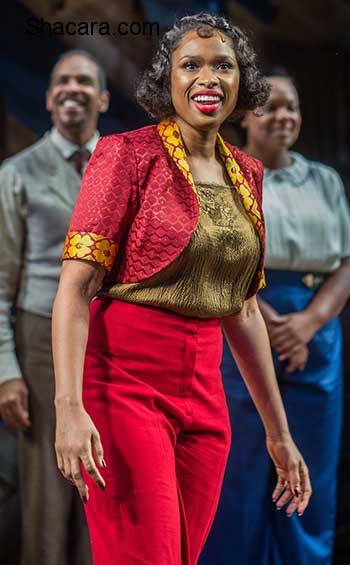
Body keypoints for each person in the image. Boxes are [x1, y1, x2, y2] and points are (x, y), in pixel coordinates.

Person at [52, 16, 312, 565]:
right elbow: (75, 290)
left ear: (243, 82)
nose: (207, 77)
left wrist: (278, 434)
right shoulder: (126, 155)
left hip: (205, 394)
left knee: (183, 556)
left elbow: (242, 308)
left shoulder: (247, 173)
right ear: (166, 80)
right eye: (189, 65)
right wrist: (70, 407)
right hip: (123, 382)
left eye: (223, 65)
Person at [201, 69, 350, 565]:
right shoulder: (221, 174)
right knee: (240, 464)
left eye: (293, 108)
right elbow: (214, 258)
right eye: (272, 107)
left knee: (313, 463)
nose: (285, 117)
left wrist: (306, 325)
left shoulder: (324, 181)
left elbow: (346, 262)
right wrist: (267, 325)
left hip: (316, 330)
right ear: (244, 116)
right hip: (241, 324)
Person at [0, 49, 110, 565]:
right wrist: (6, 372)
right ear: (47, 98)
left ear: (103, 98)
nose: (73, 88)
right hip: (39, 336)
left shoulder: (120, 168)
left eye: (85, 81)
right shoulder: (16, 173)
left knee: (104, 477)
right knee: (47, 483)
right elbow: (1, 280)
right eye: (62, 80)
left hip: (111, 342)